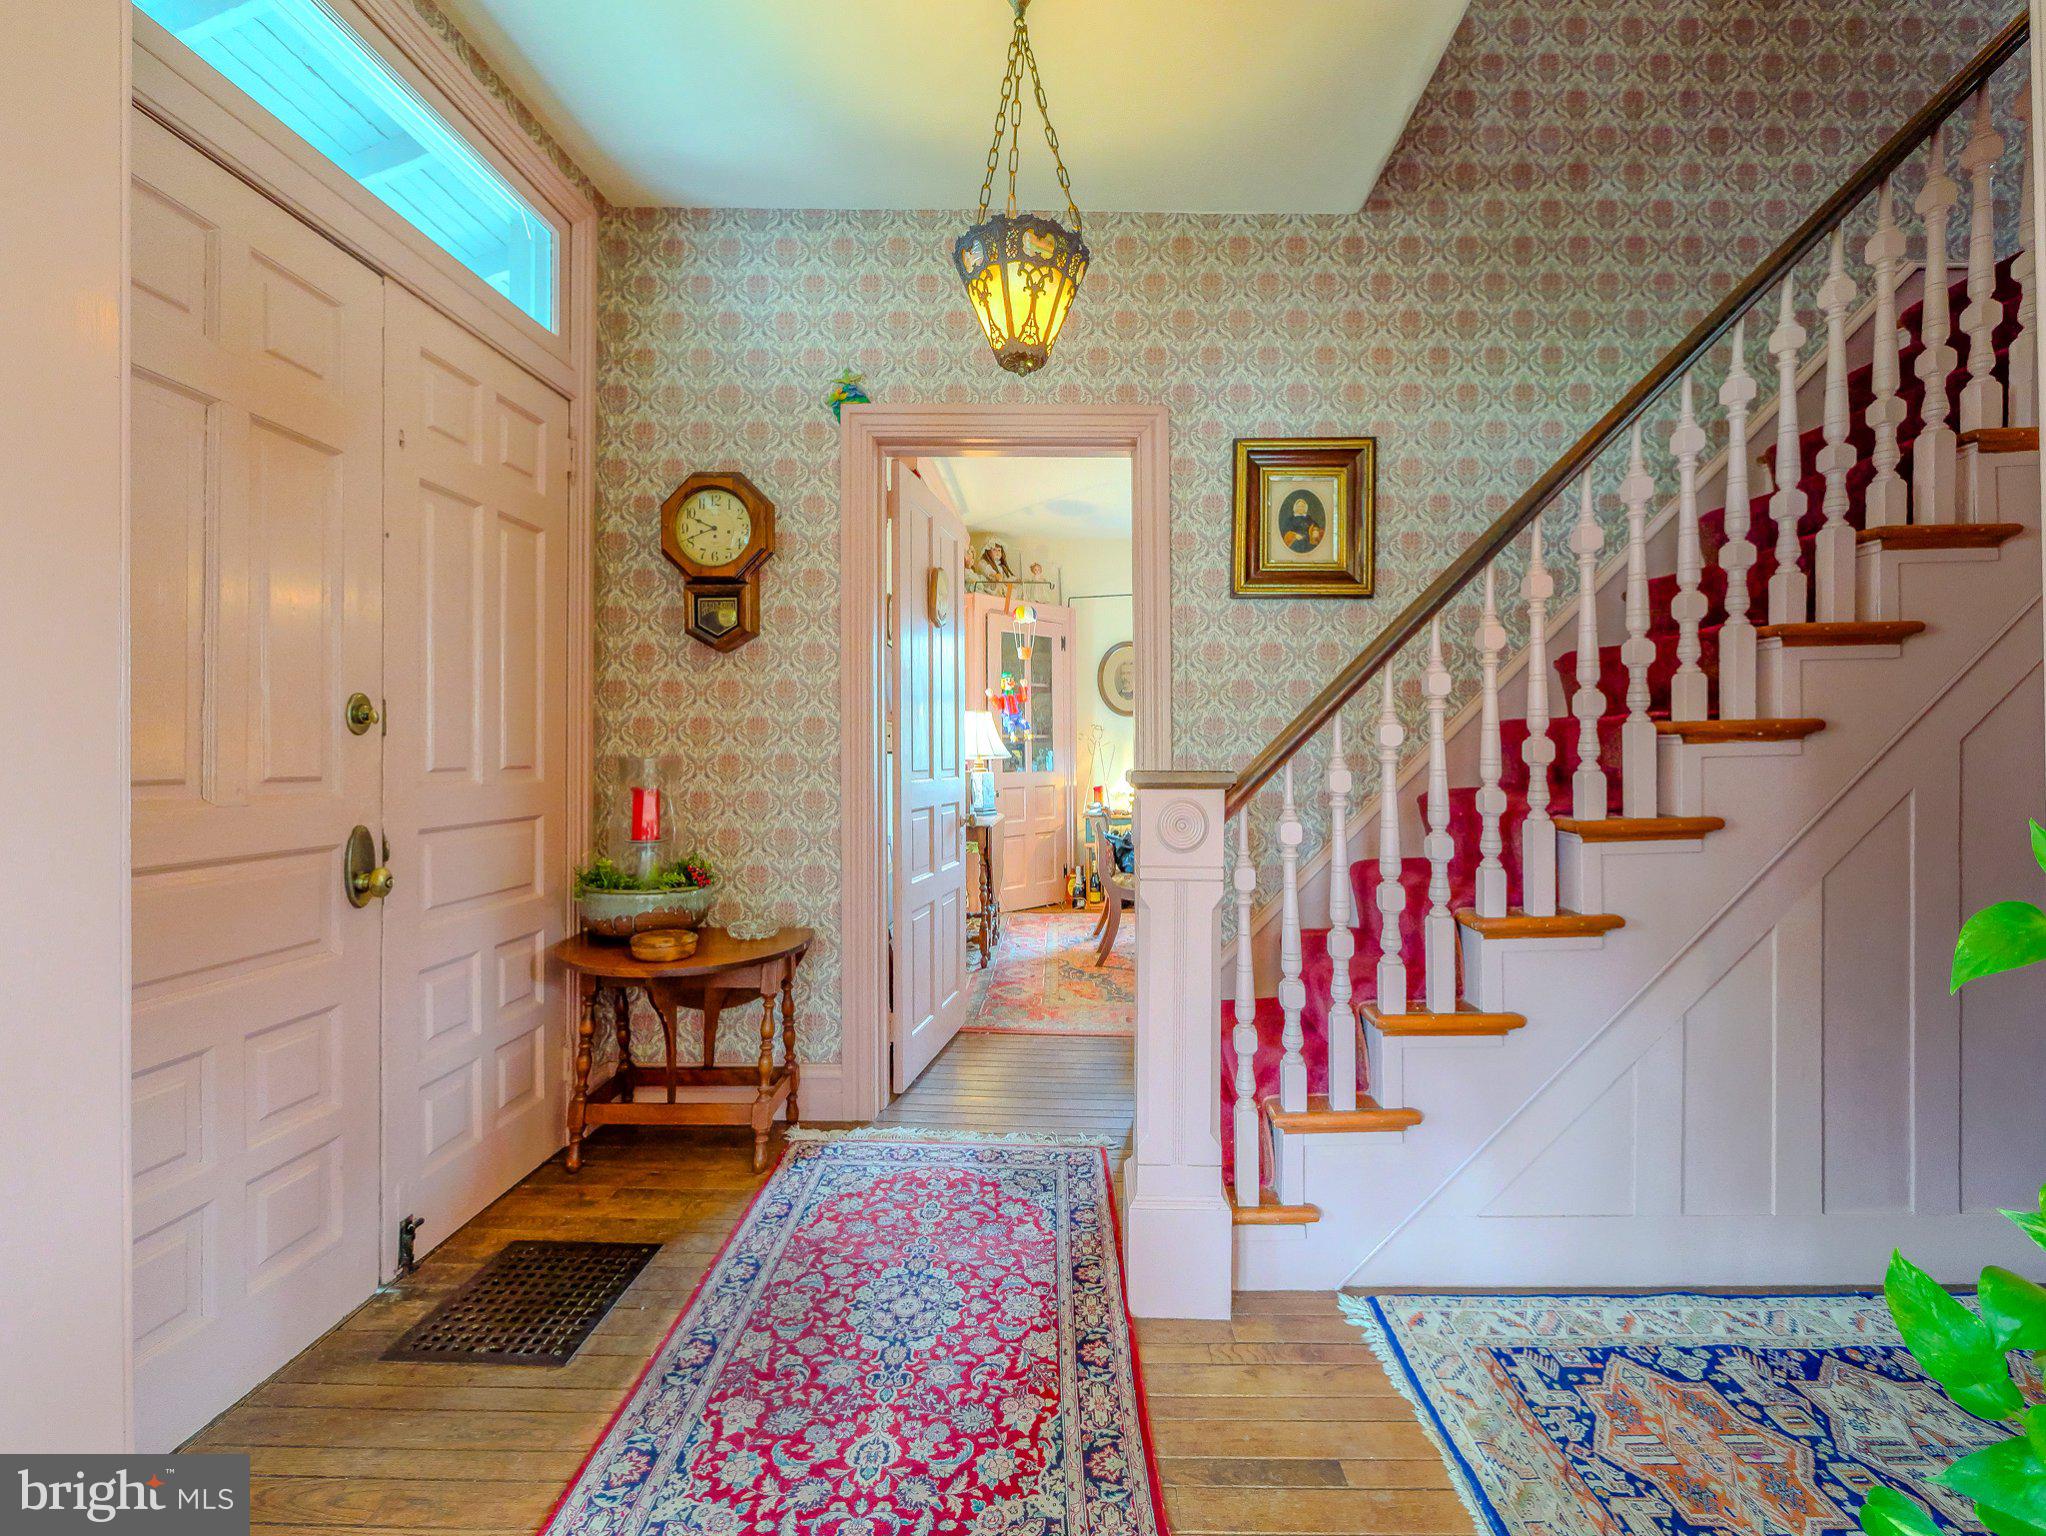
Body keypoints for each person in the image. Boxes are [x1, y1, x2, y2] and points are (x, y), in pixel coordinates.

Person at [1278, 488, 1327, 555]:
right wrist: (1294, 535)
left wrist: (1315, 531)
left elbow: (1315, 525)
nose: (1301, 508)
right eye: (1299, 506)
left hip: (1309, 542)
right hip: (1295, 543)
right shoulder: (1290, 519)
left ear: (1305, 508)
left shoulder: (1308, 518)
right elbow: (1285, 531)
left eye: (1303, 506)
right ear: (1295, 508)